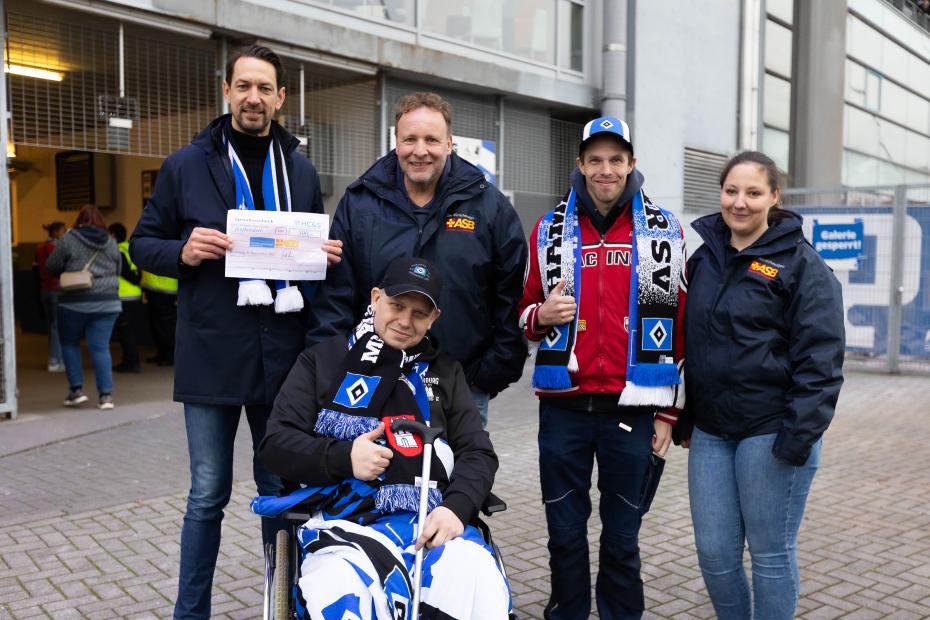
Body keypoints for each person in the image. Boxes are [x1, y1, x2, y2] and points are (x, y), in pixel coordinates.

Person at [129, 44, 341, 619]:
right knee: (207, 495)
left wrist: (325, 256)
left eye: (264, 88)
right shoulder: (186, 165)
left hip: (283, 359)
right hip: (211, 356)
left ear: (280, 97)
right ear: (226, 92)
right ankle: (190, 612)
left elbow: (308, 257)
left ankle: (287, 607)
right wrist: (183, 250)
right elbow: (141, 244)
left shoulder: (298, 168)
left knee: (280, 490)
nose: (254, 98)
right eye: (243, 86)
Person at [257, 256, 510, 619]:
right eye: (397, 305)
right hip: (345, 525)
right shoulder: (323, 361)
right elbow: (276, 445)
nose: (406, 321)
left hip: (431, 521)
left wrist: (456, 509)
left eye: (420, 313)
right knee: (340, 593)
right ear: (375, 298)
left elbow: (478, 453)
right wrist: (343, 457)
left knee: (476, 579)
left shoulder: (446, 372)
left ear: (434, 319)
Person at [517, 116, 686, 619]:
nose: (605, 169)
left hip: (632, 405)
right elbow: (522, 312)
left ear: (632, 164)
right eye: (595, 159)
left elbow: (679, 325)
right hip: (564, 406)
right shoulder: (549, 230)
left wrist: (667, 414)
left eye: (616, 159)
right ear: (581, 165)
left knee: (623, 537)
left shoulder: (664, 230)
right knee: (564, 534)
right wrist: (539, 316)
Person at [673, 151, 845, 619]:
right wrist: (686, 416)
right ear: (720, 195)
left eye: (753, 192)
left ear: (774, 197)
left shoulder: (801, 265)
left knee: (769, 555)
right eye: (732, 191)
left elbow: (822, 361)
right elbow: (695, 343)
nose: (740, 202)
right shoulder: (704, 259)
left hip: (772, 431)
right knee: (714, 554)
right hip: (712, 431)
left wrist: (797, 436)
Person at [307, 91, 527, 427]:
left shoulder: (489, 207)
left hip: (461, 386)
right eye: (409, 139)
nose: (419, 150)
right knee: (373, 478)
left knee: (459, 479)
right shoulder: (360, 202)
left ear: (450, 143)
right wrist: (334, 367)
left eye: (431, 139)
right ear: (396, 142)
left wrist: (488, 375)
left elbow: (509, 297)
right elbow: (336, 295)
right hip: (370, 383)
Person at [45, 205, 121, 409]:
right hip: (108, 302)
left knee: (69, 344)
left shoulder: (68, 240)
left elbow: (51, 266)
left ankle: (76, 391)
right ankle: (106, 396)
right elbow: (118, 268)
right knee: (100, 347)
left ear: (79, 220)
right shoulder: (111, 242)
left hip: (74, 303)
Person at [108, 223, 143, 373]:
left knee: (125, 332)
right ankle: (131, 360)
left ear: (113, 235)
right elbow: (138, 272)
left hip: (123, 297)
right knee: (130, 330)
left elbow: (128, 274)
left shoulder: (116, 251)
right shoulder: (130, 248)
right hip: (135, 295)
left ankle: (131, 362)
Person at [34, 221, 66, 372]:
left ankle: (55, 358)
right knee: (57, 327)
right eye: (62, 231)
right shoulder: (58, 248)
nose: (64, 234)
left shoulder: (39, 249)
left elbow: (35, 271)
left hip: (45, 290)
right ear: (55, 233)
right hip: (57, 289)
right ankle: (55, 360)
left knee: (52, 326)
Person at [140, 269, 177, 366]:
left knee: (164, 326)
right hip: (154, 287)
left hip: (163, 289)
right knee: (157, 325)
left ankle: (170, 356)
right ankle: (162, 354)